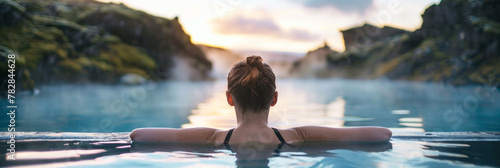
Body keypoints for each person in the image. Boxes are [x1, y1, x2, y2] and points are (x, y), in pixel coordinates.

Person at [130, 56, 392, 145]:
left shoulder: (212, 139)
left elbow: (139, 135)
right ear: (274, 98)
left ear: (229, 99)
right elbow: (382, 134)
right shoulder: (297, 136)